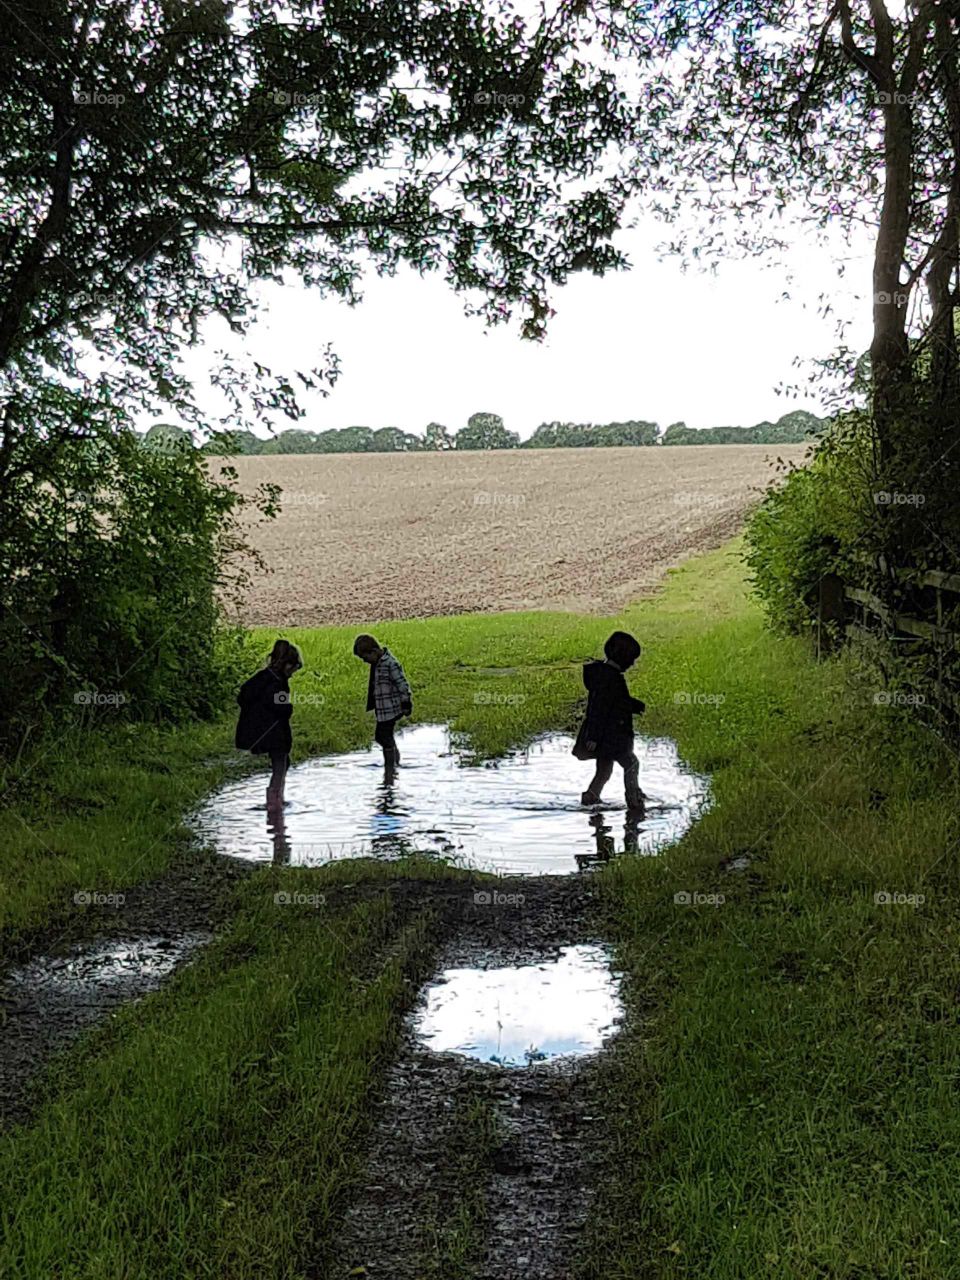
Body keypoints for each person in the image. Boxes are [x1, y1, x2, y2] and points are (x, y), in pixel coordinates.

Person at [572, 630, 646, 812]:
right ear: (623, 657)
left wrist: (633, 705)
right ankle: (633, 799)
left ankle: (591, 795)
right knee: (631, 763)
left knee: (604, 769)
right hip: (611, 736)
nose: (632, 664)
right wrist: (594, 737)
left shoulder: (603, 676)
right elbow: (599, 709)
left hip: (607, 735)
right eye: (632, 659)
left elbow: (616, 702)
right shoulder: (610, 679)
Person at [235, 638, 303, 812]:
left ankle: (275, 799)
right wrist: (288, 707)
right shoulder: (278, 683)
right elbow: (281, 707)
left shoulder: (260, 678)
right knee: (281, 763)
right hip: (275, 733)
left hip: (258, 731)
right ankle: (275, 803)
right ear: (288, 665)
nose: (293, 674)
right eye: (294, 669)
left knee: (282, 763)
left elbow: (243, 697)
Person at [353, 634, 412, 771]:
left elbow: (402, 684)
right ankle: (394, 762)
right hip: (382, 709)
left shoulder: (391, 664)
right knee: (384, 737)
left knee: (383, 737)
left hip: (391, 709)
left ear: (373, 652)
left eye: (365, 658)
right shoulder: (378, 664)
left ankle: (390, 768)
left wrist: (406, 703)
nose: (365, 661)